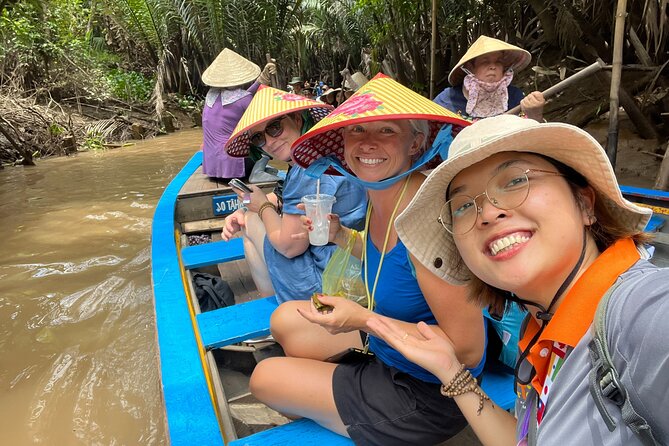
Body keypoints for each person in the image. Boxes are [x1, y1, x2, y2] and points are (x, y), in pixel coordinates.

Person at [370, 115, 669, 445]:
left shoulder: (641, 313)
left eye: (514, 181)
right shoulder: (538, 331)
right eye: (463, 205)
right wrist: (451, 371)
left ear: (584, 203)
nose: (487, 213)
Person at [249, 74, 486, 445]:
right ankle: (339, 392)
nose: (368, 143)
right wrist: (340, 236)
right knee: (283, 320)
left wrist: (364, 319)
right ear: (342, 143)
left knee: (264, 378)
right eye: (356, 129)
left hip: (433, 391)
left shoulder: (426, 218)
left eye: (387, 131)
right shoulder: (385, 195)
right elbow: (394, 261)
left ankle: (356, 410)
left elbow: (469, 350)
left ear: (417, 143)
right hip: (392, 346)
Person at [222, 86, 367, 303]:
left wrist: (260, 208)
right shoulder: (315, 152)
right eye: (258, 139)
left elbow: (289, 246)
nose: (269, 142)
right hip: (353, 263)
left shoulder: (310, 167)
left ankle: (274, 307)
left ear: (297, 120)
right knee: (249, 216)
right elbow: (284, 197)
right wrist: (244, 205)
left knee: (251, 221)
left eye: (274, 128)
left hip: (331, 278)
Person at [200, 48, 276, 179]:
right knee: (267, 135)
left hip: (212, 168)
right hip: (234, 167)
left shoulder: (210, 96)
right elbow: (262, 118)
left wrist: (262, 79)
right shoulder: (243, 99)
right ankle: (256, 173)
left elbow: (242, 97)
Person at [433, 36, 545, 122]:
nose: (493, 66)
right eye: (485, 62)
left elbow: (533, 138)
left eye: (498, 62)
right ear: (470, 67)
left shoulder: (515, 96)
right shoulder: (447, 100)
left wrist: (535, 115)